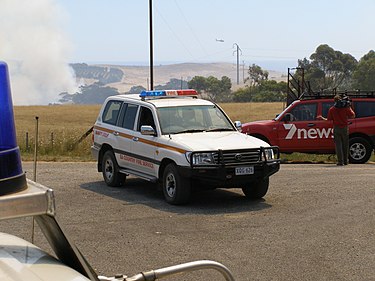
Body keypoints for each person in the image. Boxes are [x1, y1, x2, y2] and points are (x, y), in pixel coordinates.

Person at [327, 95, 355, 166]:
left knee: (338, 145)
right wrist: (349, 107)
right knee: (345, 144)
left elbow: (329, 119)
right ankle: (346, 161)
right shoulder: (345, 108)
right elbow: (353, 115)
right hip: (345, 128)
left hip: (336, 128)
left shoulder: (332, 109)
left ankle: (340, 161)